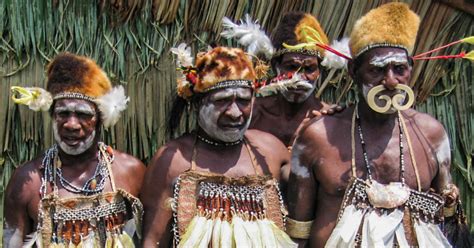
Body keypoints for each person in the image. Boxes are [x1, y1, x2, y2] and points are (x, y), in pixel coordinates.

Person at [286, 3, 464, 247]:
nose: (390, 81)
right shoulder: (318, 137)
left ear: (411, 69)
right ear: (353, 71)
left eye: (399, 69)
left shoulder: (431, 135)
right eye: (377, 70)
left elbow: (447, 222)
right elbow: (296, 234)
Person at [141, 46, 295, 247]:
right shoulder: (173, 161)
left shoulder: (271, 151)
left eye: (243, 100)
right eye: (222, 101)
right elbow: (152, 242)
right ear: (198, 103)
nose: (234, 112)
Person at [4, 53, 146, 247]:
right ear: (52, 116)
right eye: (63, 113)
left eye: (82, 114)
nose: (71, 124)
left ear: (100, 119)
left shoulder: (131, 172)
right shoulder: (27, 183)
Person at [249, 12, 343, 148]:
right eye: (292, 67)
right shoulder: (253, 113)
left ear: (320, 71)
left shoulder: (329, 121)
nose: (299, 77)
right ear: (276, 67)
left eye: (309, 68)